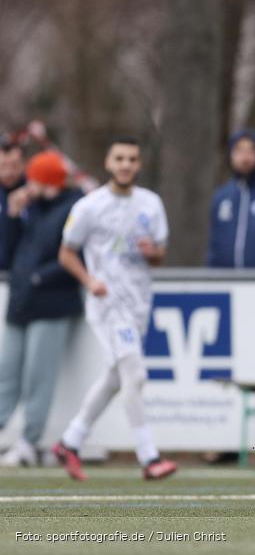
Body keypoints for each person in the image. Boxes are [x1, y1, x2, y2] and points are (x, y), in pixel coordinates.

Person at [52, 138, 177, 481]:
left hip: (138, 303)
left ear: (138, 164)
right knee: (135, 375)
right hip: (107, 304)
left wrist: (152, 252)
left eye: (132, 159)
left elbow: (159, 255)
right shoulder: (90, 206)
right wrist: (89, 280)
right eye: (119, 158)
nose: (125, 164)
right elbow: (66, 252)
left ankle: (70, 441)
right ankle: (149, 457)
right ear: (108, 163)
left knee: (115, 377)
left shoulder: (150, 203)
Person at [0, 152, 82, 466]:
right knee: (7, 371)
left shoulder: (72, 207)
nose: (27, 184)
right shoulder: (30, 209)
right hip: (21, 301)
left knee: (38, 374)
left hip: (51, 303)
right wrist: (12, 215)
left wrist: (38, 278)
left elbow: (74, 257)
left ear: (47, 181)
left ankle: (28, 441)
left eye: (34, 178)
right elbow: (7, 254)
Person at [207, 129, 255, 268]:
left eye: (250, 151)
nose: (245, 157)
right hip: (224, 278)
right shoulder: (222, 197)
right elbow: (214, 244)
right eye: (239, 151)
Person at [0, 139, 26, 270]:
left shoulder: (34, 195)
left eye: (15, 166)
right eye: (3, 166)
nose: (9, 172)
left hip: (24, 271)